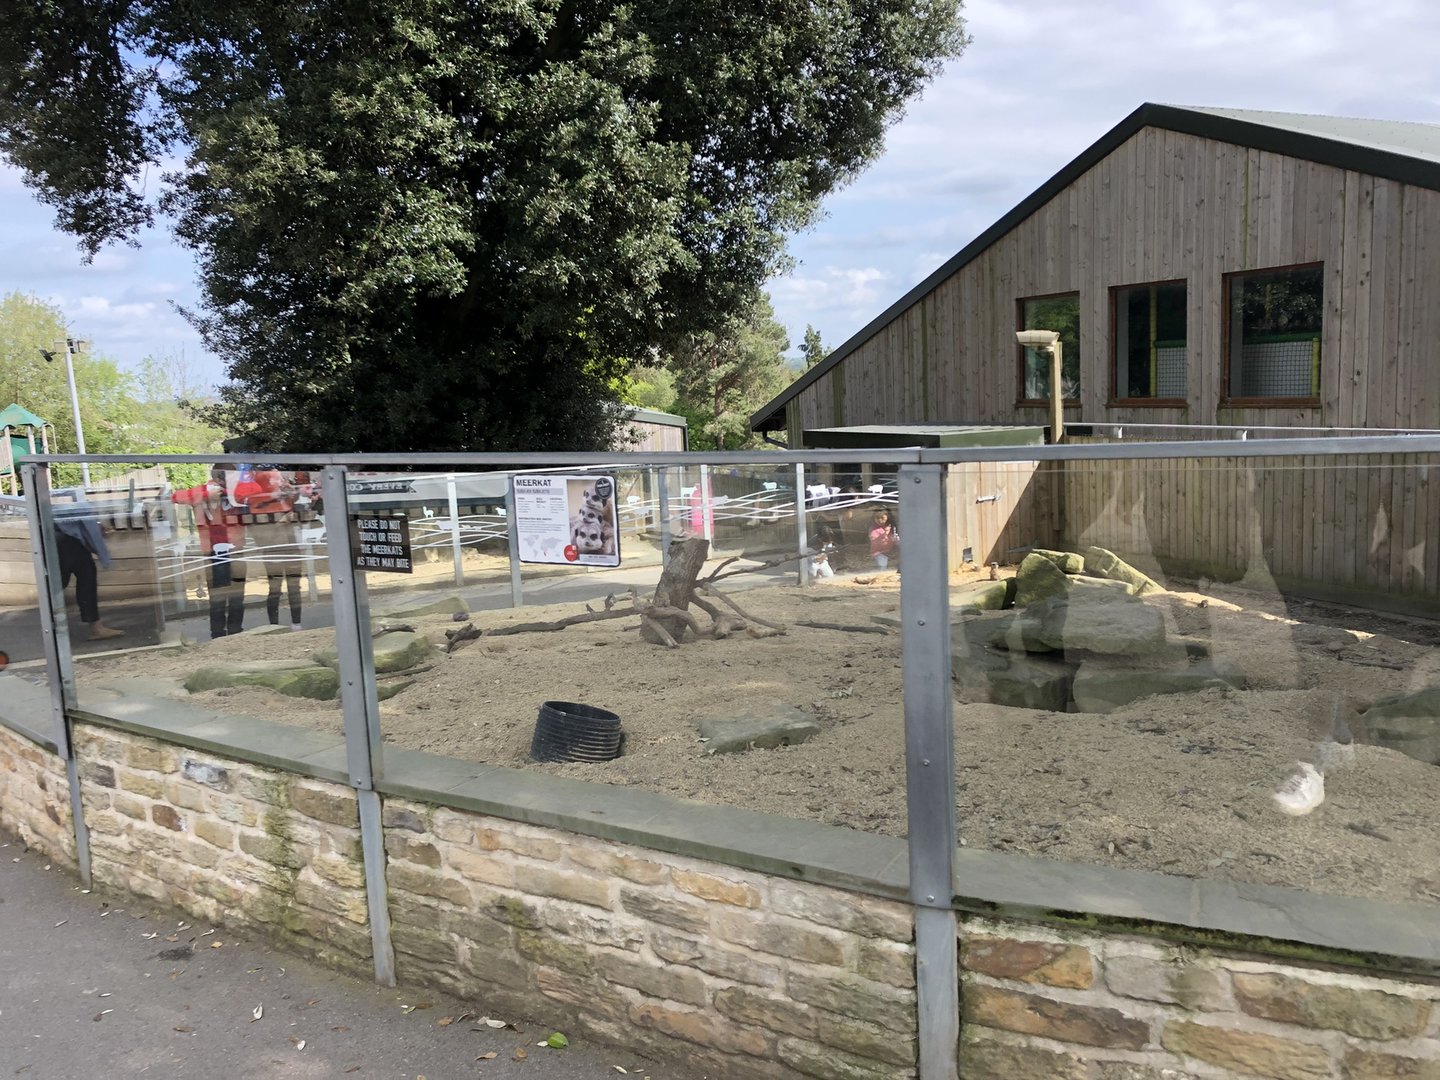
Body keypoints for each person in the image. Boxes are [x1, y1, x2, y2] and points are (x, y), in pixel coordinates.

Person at [173, 466, 249, 638]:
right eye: (230, 476)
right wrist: (207, 494)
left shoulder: (236, 491)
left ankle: (237, 632)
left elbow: (256, 490)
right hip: (212, 553)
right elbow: (175, 496)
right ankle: (218, 635)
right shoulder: (203, 491)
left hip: (237, 550)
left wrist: (229, 490)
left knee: (238, 595)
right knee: (217, 598)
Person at [243, 467, 304, 631]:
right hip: (273, 550)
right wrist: (281, 523)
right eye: (275, 479)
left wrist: (292, 492)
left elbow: (299, 501)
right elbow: (260, 537)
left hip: (292, 548)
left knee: (294, 587)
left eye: (280, 479)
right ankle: (274, 625)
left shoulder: (284, 498)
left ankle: (297, 623)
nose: (280, 482)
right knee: (275, 588)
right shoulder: (258, 504)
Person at [52, 502, 124, 640]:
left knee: (82, 577)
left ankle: (95, 626)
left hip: (62, 537)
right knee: (67, 581)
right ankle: (94, 627)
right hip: (64, 538)